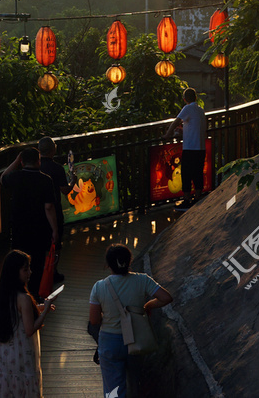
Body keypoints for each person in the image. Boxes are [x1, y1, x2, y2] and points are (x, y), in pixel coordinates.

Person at [88, 244, 173, 398]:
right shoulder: (142, 280)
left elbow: (94, 320)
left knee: (113, 389)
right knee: (134, 383)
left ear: (108, 264)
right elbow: (166, 298)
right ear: (129, 261)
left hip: (110, 341)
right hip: (136, 339)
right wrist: (147, 306)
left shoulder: (99, 287)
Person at [0, 250, 55, 398]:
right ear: (15, 272)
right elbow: (29, 329)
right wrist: (45, 312)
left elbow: (17, 315)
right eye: (25, 269)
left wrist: (38, 308)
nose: (29, 272)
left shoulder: (4, 293)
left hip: (4, 352)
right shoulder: (23, 297)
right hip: (20, 353)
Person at [1, 147, 58, 298]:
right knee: (37, 261)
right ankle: (34, 294)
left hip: (19, 226)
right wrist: (54, 229)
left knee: (18, 259)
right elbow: (49, 207)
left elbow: (3, 177)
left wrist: (16, 160)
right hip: (40, 228)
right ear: (39, 161)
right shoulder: (46, 180)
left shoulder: (16, 177)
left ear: (21, 161)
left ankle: (18, 292)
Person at [163, 87, 207, 209]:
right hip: (200, 147)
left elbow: (176, 122)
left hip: (190, 148)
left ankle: (187, 199)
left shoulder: (188, 108)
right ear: (196, 98)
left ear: (184, 99)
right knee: (198, 172)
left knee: (186, 174)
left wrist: (167, 134)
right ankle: (197, 197)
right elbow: (195, 127)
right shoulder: (200, 110)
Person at [38, 137, 73, 283]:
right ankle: (53, 272)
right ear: (54, 150)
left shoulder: (36, 166)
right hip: (54, 209)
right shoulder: (57, 168)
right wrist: (73, 181)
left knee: (39, 242)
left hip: (36, 210)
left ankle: (38, 272)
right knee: (56, 242)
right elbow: (65, 190)